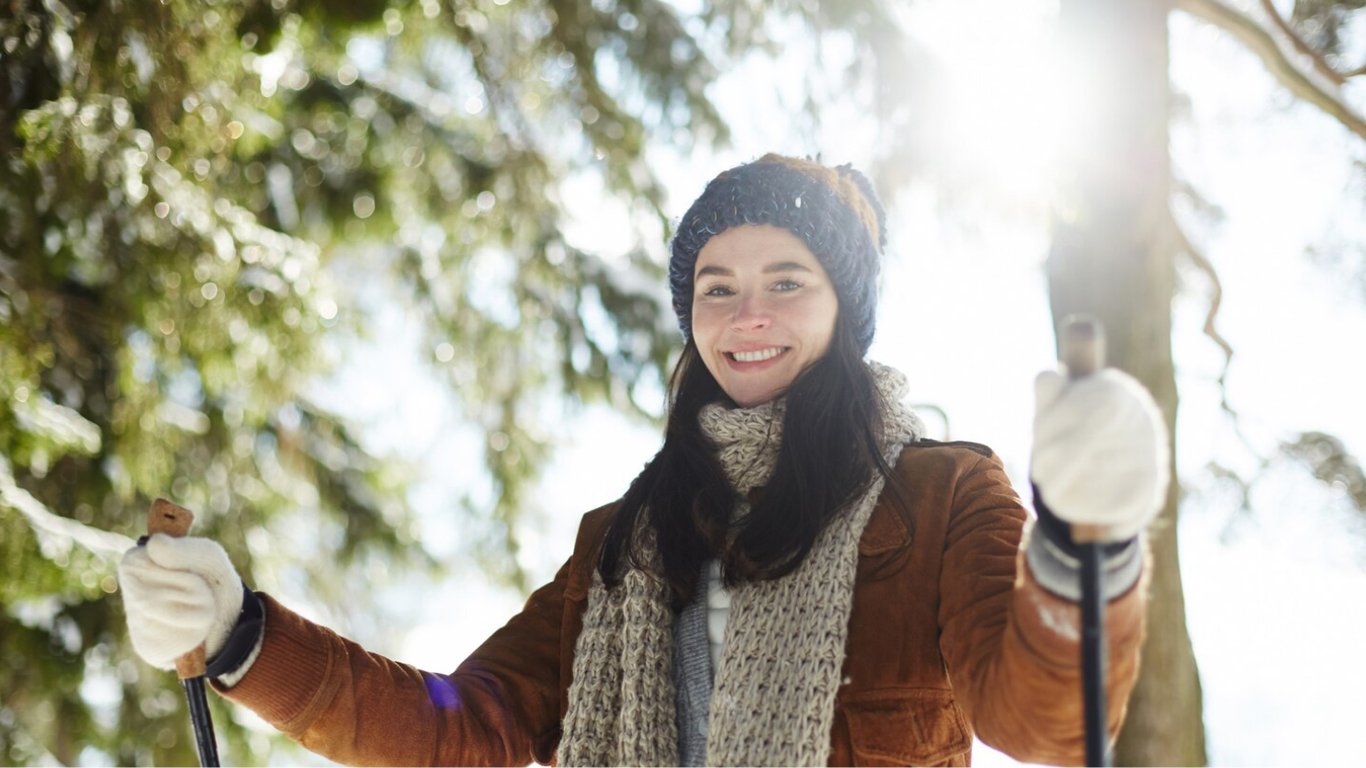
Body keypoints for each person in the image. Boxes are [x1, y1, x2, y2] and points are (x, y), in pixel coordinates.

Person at [118, 154, 1167, 766]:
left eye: (786, 282)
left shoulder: (937, 496)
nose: (747, 315)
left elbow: (1045, 718)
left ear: (846, 311)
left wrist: (1087, 542)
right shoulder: (619, 545)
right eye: (717, 287)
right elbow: (466, 730)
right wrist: (240, 636)